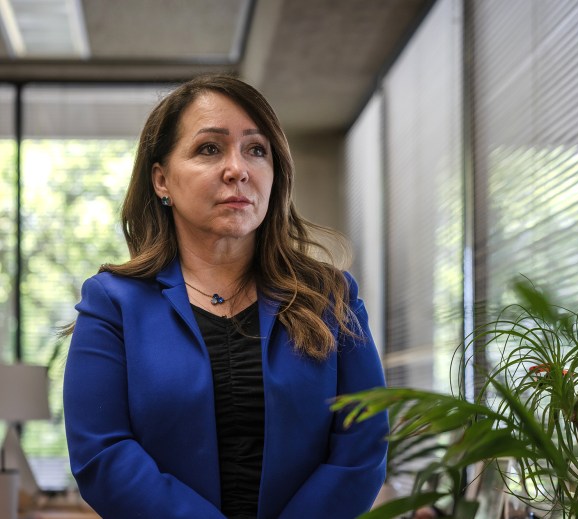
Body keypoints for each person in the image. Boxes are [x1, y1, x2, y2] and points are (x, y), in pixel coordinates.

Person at [63, 74, 389, 519]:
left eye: (256, 150)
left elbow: (362, 448)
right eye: (209, 149)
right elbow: (103, 455)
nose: (238, 169)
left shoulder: (331, 296)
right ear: (162, 180)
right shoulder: (112, 303)